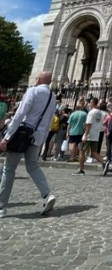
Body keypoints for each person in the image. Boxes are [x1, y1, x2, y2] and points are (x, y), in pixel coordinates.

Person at [0, 71, 57, 218]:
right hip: (37, 137)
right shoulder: (53, 96)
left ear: (39, 79)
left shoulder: (33, 91)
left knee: (9, 169)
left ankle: (1, 207)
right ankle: (47, 195)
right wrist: (43, 138)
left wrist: (7, 136)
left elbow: (20, 114)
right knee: (32, 166)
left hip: (22, 135)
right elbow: (50, 120)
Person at [73, 98, 110, 176]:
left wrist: (85, 134)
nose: (89, 104)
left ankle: (81, 169)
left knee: (81, 151)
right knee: (94, 152)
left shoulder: (91, 112)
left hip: (89, 134)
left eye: (90, 102)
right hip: (96, 134)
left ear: (93, 103)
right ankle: (104, 162)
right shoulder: (100, 113)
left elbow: (88, 124)